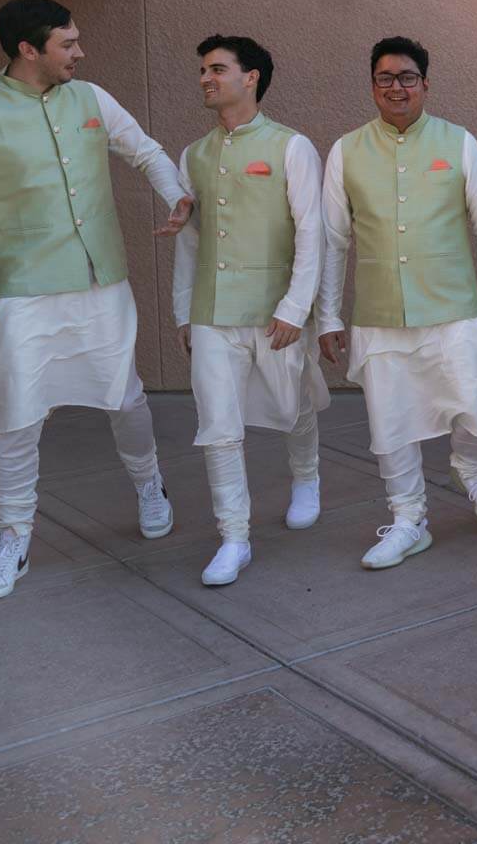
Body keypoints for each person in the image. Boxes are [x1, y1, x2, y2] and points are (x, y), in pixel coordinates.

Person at [0, 0, 192, 600]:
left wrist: (176, 195)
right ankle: (12, 537)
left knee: (125, 397)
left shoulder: (91, 98)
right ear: (28, 49)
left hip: (100, 282)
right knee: (16, 416)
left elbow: (145, 150)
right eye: (67, 44)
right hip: (20, 293)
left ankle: (150, 485)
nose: (80, 52)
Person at [317, 37, 477, 569]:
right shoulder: (346, 151)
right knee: (390, 422)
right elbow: (333, 240)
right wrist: (327, 315)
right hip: (379, 312)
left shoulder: (460, 142)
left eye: (407, 77)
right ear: (372, 86)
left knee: (475, 404)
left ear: (425, 84)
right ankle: (409, 520)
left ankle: (471, 471)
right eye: (385, 78)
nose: (396, 87)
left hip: (455, 306)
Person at [171, 35, 330, 587]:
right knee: (217, 425)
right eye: (203, 70)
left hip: (276, 310)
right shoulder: (193, 154)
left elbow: (313, 233)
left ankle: (306, 476)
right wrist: (183, 312)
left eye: (218, 69)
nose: (206, 78)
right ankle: (233, 537)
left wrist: (296, 307)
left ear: (251, 77)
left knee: (293, 401)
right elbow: (189, 241)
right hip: (212, 312)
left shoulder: (292, 147)